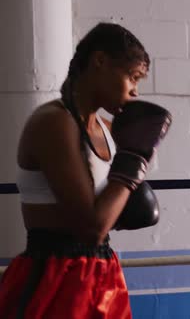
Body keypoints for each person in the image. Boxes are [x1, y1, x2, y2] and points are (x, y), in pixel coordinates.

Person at [0, 22, 172, 318]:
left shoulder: (108, 130)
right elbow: (91, 228)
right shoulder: (54, 123)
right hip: (55, 276)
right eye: (132, 77)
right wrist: (133, 161)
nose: (134, 91)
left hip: (103, 275)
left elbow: (106, 217)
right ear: (100, 61)